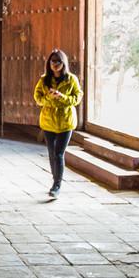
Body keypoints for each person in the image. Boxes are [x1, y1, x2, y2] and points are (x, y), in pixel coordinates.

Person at [33, 48, 83, 198]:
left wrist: (61, 97)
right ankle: (55, 180)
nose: (55, 64)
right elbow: (37, 98)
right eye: (52, 61)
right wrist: (49, 98)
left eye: (58, 61)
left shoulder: (71, 79)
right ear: (49, 63)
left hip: (66, 122)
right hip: (48, 122)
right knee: (51, 153)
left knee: (59, 153)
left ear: (64, 63)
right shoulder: (44, 80)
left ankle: (57, 185)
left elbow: (77, 98)